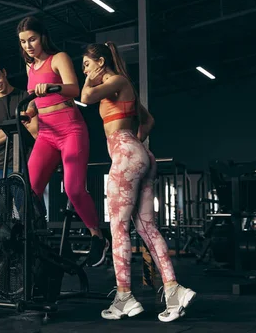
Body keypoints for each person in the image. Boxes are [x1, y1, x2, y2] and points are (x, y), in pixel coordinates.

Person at [80, 42, 196, 322]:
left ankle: (124, 298)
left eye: (86, 63)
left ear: (101, 61)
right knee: (146, 227)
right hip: (137, 153)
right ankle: (173, 291)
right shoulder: (124, 86)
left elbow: (85, 95)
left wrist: (90, 76)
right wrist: (137, 146)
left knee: (118, 227)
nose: (84, 68)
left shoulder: (116, 80)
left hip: (126, 153)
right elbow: (149, 121)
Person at [17, 16, 109, 267]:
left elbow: (73, 89)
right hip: (46, 133)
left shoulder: (58, 58)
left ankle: (98, 237)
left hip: (70, 129)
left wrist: (52, 87)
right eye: (23, 41)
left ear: (42, 37)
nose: (28, 45)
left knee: (73, 188)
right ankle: (48, 241)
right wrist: (30, 113)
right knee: (30, 190)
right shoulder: (29, 67)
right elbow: (37, 102)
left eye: (32, 39)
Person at [0, 57, 38, 185]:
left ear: (4, 72)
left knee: (27, 205)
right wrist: (18, 126)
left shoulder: (26, 98)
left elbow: (34, 132)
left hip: (26, 164)